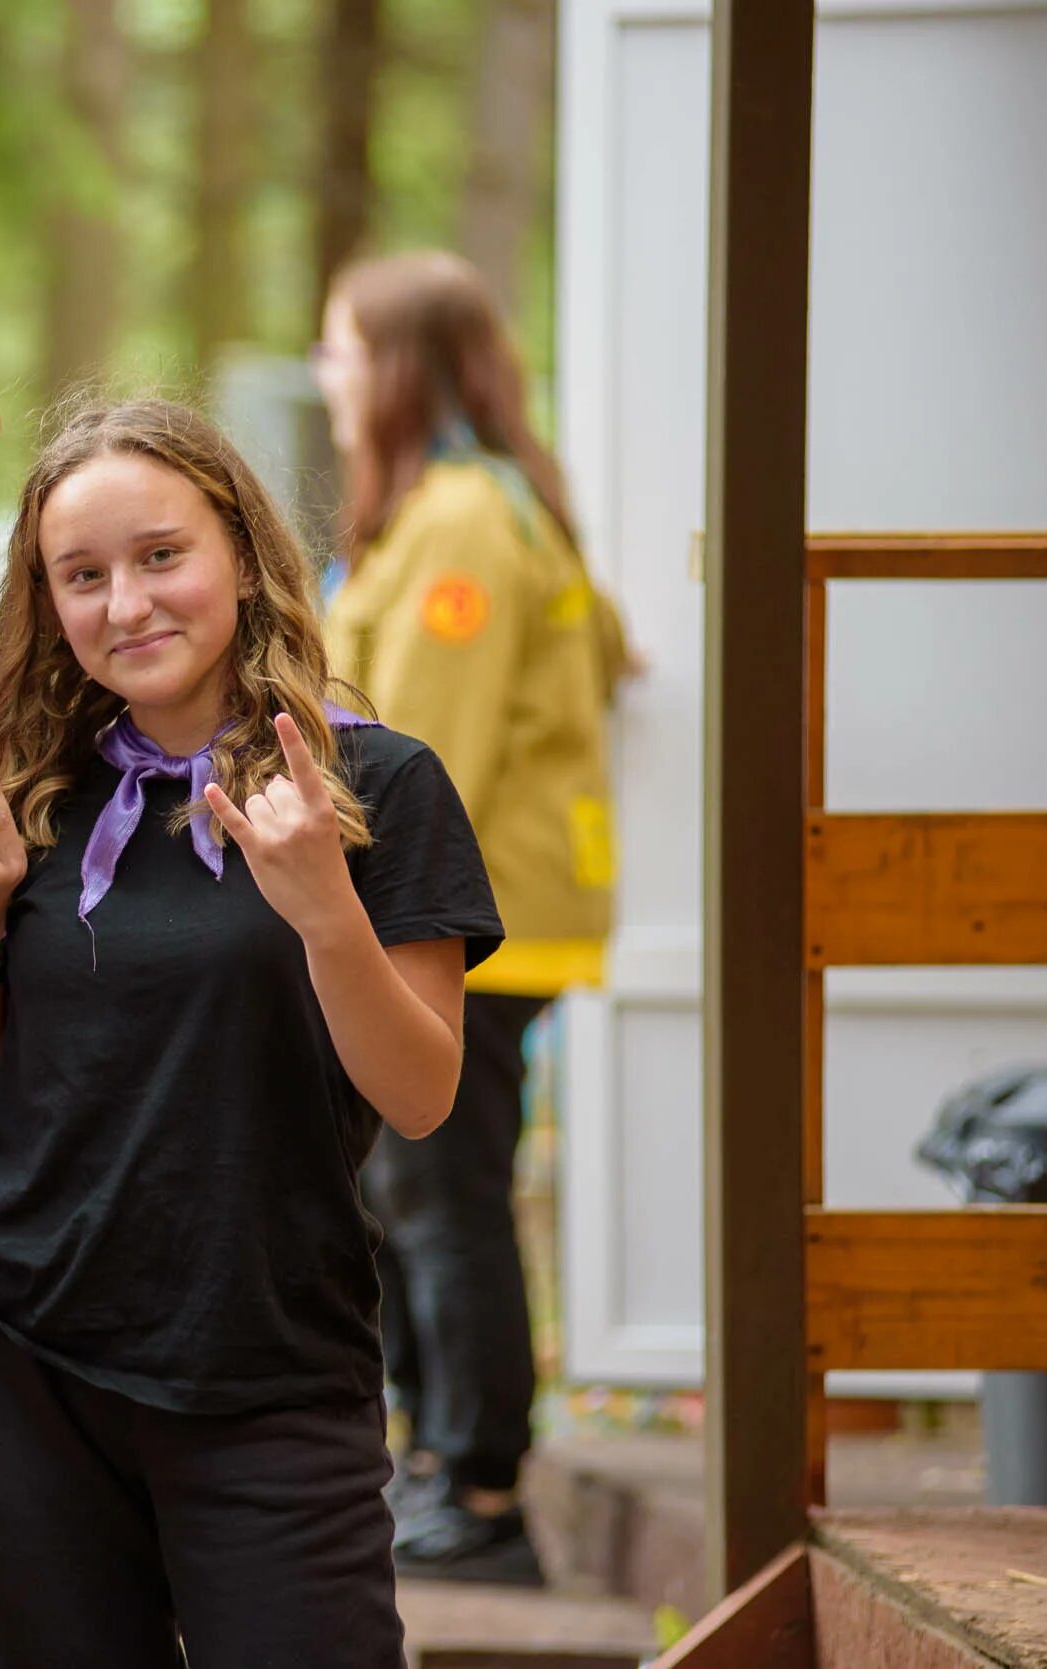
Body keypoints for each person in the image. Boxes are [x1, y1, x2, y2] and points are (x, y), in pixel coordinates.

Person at [0, 398, 503, 1666]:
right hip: (25, 1353)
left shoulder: (375, 786)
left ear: (240, 552)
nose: (125, 602)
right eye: (83, 575)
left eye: (159, 556)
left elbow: (421, 1095)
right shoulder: (29, 796)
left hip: (271, 1358)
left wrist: (323, 910)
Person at [315, 249, 622, 1581]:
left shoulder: (458, 523)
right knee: (420, 1188)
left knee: (443, 1196)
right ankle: (443, 1460)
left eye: (339, 349)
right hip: (469, 909)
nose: (326, 375)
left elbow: (424, 751)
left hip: (469, 917)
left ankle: (480, 1485)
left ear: (394, 366)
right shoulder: (461, 508)